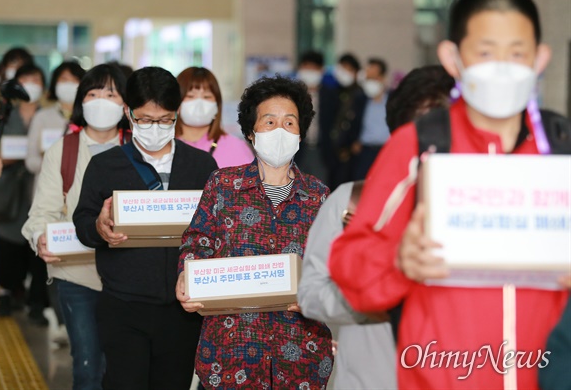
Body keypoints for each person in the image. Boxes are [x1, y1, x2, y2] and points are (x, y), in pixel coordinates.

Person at [328, 0, 570, 389]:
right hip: (441, 374)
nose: (502, 68)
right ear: (453, 58)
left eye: (517, 54)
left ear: (539, 58)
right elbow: (350, 263)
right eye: (486, 52)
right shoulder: (419, 145)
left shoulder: (559, 149)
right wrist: (399, 260)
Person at [298, 65, 454, 390]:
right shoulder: (352, 200)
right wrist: (369, 296)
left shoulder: (483, 210)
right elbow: (311, 294)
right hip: (368, 378)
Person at [176, 75, 333, 389]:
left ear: (301, 132)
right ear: (250, 132)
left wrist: (317, 296)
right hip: (231, 351)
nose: (279, 131)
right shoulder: (222, 185)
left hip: (301, 355)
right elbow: (197, 241)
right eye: (269, 121)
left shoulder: (319, 196)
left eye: (289, 123)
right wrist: (185, 274)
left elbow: (334, 263)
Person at [73, 66, 218, 390]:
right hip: (123, 306)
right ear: (128, 113)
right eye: (145, 119)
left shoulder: (201, 166)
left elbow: (217, 230)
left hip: (182, 312)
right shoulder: (105, 164)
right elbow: (82, 223)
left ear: (176, 114)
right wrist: (98, 227)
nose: (155, 128)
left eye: (165, 120)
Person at [22, 63, 127, 390]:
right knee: (87, 366)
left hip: (128, 277)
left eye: (109, 94)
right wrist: (41, 237)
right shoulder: (63, 150)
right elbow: (42, 212)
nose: (100, 101)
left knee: (123, 368)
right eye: (92, 93)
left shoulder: (140, 149)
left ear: (126, 103)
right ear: (81, 102)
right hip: (76, 276)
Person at [0, 63, 49, 323]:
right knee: (7, 246)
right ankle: (5, 293)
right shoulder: (4, 113)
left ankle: (37, 302)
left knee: (38, 247)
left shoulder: (48, 116)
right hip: (8, 189)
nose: (30, 84)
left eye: (36, 78)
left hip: (38, 187)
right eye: (25, 79)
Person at [175, 66, 253, 168]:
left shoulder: (236, 148)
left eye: (207, 97)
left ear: (217, 105)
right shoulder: (164, 145)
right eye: (190, 96)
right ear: (176, 103)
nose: (199, 103)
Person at [25, 60, 86, 175]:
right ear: (55, 83)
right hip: (46, 183)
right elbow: (31, 160)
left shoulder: (89, 117)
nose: (69, 84)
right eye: (64, 79)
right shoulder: (41, 116)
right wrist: (55, 164)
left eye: (74, 80)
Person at [319, 53, 366, 190]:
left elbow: (360, 122)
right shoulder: (332, 92)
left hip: (352, 150)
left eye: (348, 69)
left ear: (356, 72)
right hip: (332, 149)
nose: (344, 72)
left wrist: (353, 143)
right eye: (342, 68)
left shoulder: (360, 95)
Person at [352, 57, 391, 180]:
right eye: (368, 78)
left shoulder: (393, 100)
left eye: (374, 78)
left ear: (382, 78)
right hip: (365, 152)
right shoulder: (360, 100)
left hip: (386, 151)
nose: (370, 82)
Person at [294, 50, 327, 182]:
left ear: (321, 70)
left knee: (320, 190)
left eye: (313, 68)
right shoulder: (293, 95)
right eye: (306, 67)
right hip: (296, 149)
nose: (309, 72)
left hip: (321, 150)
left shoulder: (330, 95)